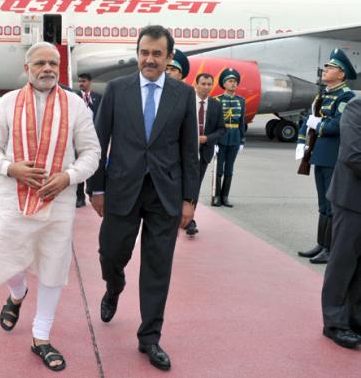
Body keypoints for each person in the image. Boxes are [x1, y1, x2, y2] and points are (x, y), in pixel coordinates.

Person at [0, 41, 100, 372]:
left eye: (53, 63)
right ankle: (17, 294)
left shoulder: (75, 105)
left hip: (58, 201)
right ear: (27, 69)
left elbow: (92, 152)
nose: (47, 68)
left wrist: (69, 177)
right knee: (8, 261)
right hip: (13, 199)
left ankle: (41, 336)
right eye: (40, 63)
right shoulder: (7, 103)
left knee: (53, 267)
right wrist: (11, 168)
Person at [88, 25, 199, 371]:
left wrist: (189, 200)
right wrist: (97, 188)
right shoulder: (116, 90)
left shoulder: (183, 95)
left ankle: (150, 336)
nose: (150, 60)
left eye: (157, 54)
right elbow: (98, 141)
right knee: (110, 253)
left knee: (157, 267)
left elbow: (189, 151)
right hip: (121, 189)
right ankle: (114, 286)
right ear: (137, 54)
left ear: (169, 57)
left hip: (164, 194)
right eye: (144, 53)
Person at [296, 49, 357, 264]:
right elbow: (309, 118)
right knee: (323, 203)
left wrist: (317, 123)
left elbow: (338, 125)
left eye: (331, 68)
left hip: (333, 156)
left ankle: (330, 249)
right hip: (319, 155)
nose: (325, 70)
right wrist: (302, 142)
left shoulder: (346, 97)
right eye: (326, 67)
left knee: (331, 204)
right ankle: (321, 244)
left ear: (341, 74)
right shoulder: (323, 95)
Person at [321, 96, 361, 349]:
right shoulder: (357, 107)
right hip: (352, 198)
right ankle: (334, 322)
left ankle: (355, 318)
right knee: (344, 261)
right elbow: (353, 155)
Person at [185, 73, 225, 236]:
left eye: (209, 84)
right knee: (179, 185)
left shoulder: (216, 105)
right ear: (196, 84)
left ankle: (189, 219)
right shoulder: (187, 102)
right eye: (203, 84)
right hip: (185, 152)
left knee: (194, 186)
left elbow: (222, 129)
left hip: (204, 152)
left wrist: (208, 138)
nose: (206, 87)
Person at [212, 69, 246, 208]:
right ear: (224, 84)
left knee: (229, 169)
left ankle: (225, 196)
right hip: (221, 137)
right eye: (230, 81)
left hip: (235, 137)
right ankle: (216, 196)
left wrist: (242, 140)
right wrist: (213, 141)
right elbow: (214, 122)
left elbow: (242, 121)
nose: (233, 84)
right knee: (219, 168)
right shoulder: (217, 100)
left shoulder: (241, 101)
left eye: (235, 82)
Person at [75, 72, 102, 208]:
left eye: (84, 81)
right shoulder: (75, 97)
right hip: (78, 138)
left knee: (93, 166)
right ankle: (79, 197)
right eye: (80, 81)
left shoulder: (98, 97)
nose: (81, 84)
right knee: (78, 167)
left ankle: (91, 192)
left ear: (90, 82)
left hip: (94, 138)